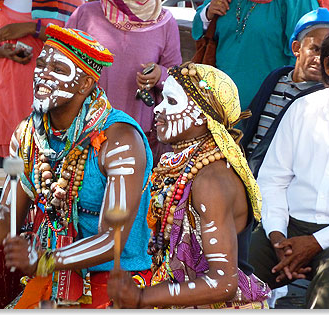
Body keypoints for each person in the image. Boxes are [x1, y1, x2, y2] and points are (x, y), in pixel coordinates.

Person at [0, 25, 154, 309]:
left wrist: (45, 259)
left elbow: (111, 240)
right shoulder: (29, 135)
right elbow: (8, 215)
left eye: (58, 68)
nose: (43, 74)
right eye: (41, 64)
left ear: (85, 84)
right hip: (53, 275)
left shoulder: (120, 140)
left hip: (116, 279)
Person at [107, 62, 270, 308]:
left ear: (203, 118)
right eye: (162, 99)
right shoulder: (187, 165)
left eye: (172, 102)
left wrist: (143, 297)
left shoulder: (211, 180)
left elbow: (224, 283)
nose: (158, 108)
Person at [248, 31, 329, 309]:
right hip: (288, 225)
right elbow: (273, 179)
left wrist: (316, 243)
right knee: (233, 275)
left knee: (327, 296)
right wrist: (277, 236)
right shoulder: (303, 108)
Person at [0, 0, 82, 168]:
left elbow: (76, 44)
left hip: (49, 102)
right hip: (3, 99)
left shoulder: (73, 2)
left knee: (47, 174)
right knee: (4, 176)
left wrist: (32, 29)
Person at [65, 0, 182, 164]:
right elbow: (63, 62)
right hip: (84, 130)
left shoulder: (165, 22)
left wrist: (159, 75)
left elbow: (176, 79)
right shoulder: (86, 14)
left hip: (137, 134)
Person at [240, 8, 329, 178]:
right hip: (246, 167)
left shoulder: (323, 98)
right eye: (315, 49)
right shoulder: (276, 79)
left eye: (328, 54)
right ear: (297, 48)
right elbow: (250, 126)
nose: (320, 59)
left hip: (280, 180)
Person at [191, 0, 318, 111]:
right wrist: (208, 13)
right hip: (217, 104)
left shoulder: (297, 2)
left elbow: (305, 54)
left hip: (264, 110)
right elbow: (198, 29)